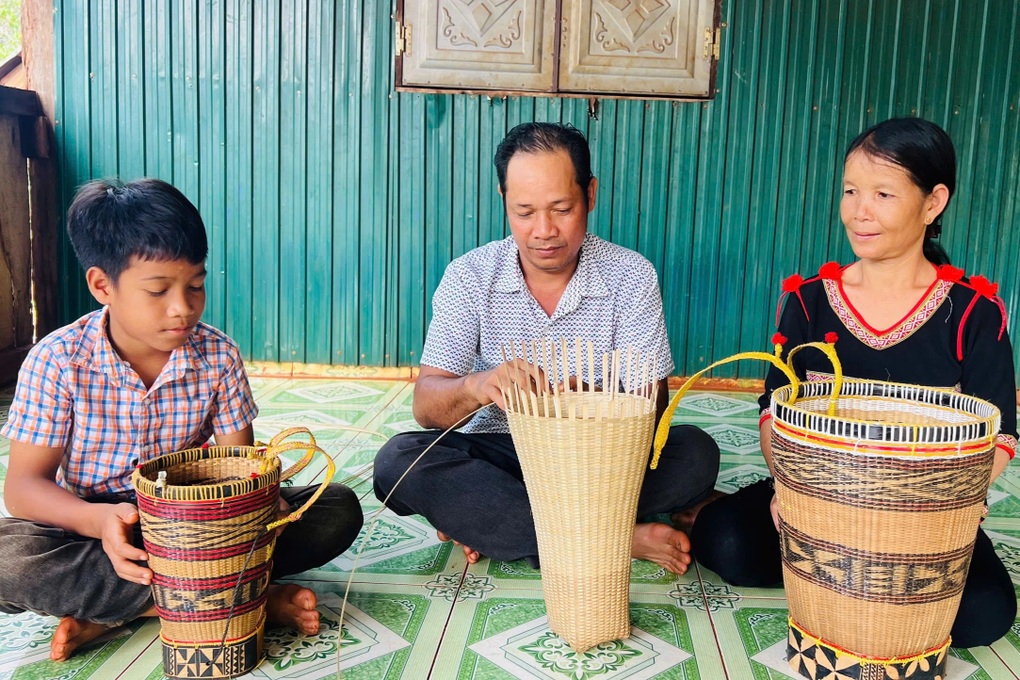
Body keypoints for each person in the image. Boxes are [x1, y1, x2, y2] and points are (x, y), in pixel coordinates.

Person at [0, 178, 363, 661]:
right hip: (94, 525)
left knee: (334, 509)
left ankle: (120, 610)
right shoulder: (58, 361)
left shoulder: (217, 355)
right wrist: (98, 520)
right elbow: (24, 488)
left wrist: (259, 503)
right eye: (158, 290)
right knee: (9, 559)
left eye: (196, 285)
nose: (183, 307)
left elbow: (241, 464)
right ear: (102, 285)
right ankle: (245, 601)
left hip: (201, 524)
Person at [691, 117, 1017, 647]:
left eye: (883, 193)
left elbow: (1000, 436)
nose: (858, 212)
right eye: (850, 191)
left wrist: (941, 510)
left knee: (982, 615)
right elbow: (775, 413)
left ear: (933, 203)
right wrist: (792, 494)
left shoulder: (973, 314)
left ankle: (846, 578)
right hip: (817, 506)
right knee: (726, 542)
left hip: (920, 519)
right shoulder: (809, 300)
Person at [373, 122, 720, 575]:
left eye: (561, 208)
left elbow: (650, 407)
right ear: (504, 202)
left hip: (600, 458)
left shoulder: (631, 275)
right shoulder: (470, 276)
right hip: (503, 458)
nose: (544, 231)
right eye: (524, 212)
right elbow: (427, 406)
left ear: (590, 195)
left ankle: (504, 525)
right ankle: (614, 539)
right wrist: (481, 385)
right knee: (398, 462)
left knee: (694, 452)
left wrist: (590, 410)